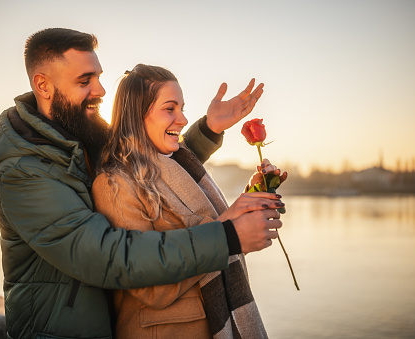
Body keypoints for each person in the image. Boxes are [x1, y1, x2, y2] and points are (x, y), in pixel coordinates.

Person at [0, 27, 284, 339]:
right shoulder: (24, 169)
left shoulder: (87, 132)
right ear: (43, 85)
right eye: (85, 80)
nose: (100, 89)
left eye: (99, 77)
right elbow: (108, 257)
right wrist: (226, 237)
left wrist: (208, 129)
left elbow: (151, 173)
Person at [93, 64, 282, 339]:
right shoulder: (115, 184)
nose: (182, 119)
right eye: (170, 108)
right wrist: (228, 233)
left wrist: (250, 205)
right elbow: (149, 288)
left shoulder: (178, 166)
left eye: (182, 108)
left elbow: (210, 225)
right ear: (136, 115)